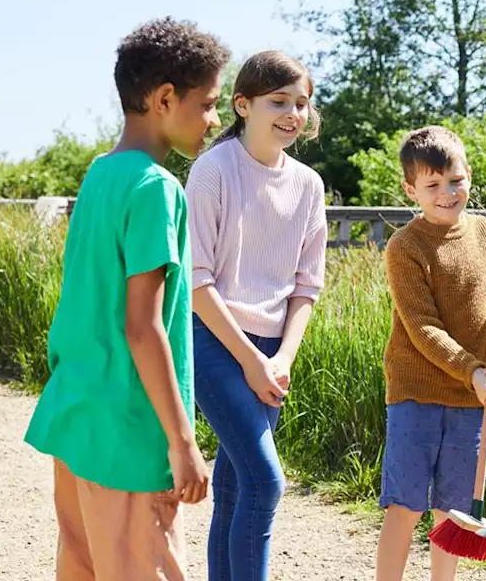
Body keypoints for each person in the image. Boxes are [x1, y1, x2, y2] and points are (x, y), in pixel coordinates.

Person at [23, 17, 230, 580]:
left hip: (81, 417)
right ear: (165, 98)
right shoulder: (157, 190)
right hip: (131, 434)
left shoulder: (101, 175)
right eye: (209, 103)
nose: (215, 120)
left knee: (85, 568)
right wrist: (182, 441)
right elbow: (143, 327)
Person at [185, 50, 328, 581]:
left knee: (236, 486)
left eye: (302, 103)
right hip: (213, 340)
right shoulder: (213, 170)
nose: (293, 113)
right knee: (266, 482)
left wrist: (282, 356)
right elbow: (195, 281)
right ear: (243, 105)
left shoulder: (309, 186)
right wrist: (250, 361)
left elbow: (307, 286)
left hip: (272, 353)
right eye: (279, 101)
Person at [374, 125, 486, 581]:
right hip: (417, 392)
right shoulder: (405, 246)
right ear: (411, 189)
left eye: (456, 181)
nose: (447, 193)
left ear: (468, 176)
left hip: (473, 395)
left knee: (451, 509)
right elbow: (422, 327)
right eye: (432, 185)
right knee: (406, 503)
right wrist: (473, 370)